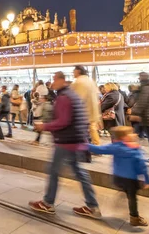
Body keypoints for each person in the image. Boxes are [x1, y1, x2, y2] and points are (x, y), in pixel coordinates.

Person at [29, 71, 101, 219]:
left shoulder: (64, 97)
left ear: (61, 80)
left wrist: (44, 126)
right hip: (76, 139)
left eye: (55, 80)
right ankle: (93, 206)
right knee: (80, 172)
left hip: (67, 141)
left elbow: (63, 121)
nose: (53, 83)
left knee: (54, 170)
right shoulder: (72, 94)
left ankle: (48, 203)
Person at [88, 126, 149, 226]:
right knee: (132, 198)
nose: (134, 134)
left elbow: (99, 149)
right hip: (131, 180)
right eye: (131, 133)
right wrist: (147, 180)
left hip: (117, 179)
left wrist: (83, 144)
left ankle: (122, 193)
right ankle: (134, 218)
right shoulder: (135, 150)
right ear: (124, 137)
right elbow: (142, 167)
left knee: (126, 190)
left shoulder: (116, 147)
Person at [71, 65, 102, 146]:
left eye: (74, 71)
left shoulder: (78, 81)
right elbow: (97, 94)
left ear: (78, 71)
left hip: (84, 110)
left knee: (83, 129)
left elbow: (78, 98)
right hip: (93, 108)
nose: (73, 73)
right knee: (92, 128)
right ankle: (96, 145)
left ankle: (85, 146)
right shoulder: (90, 80)